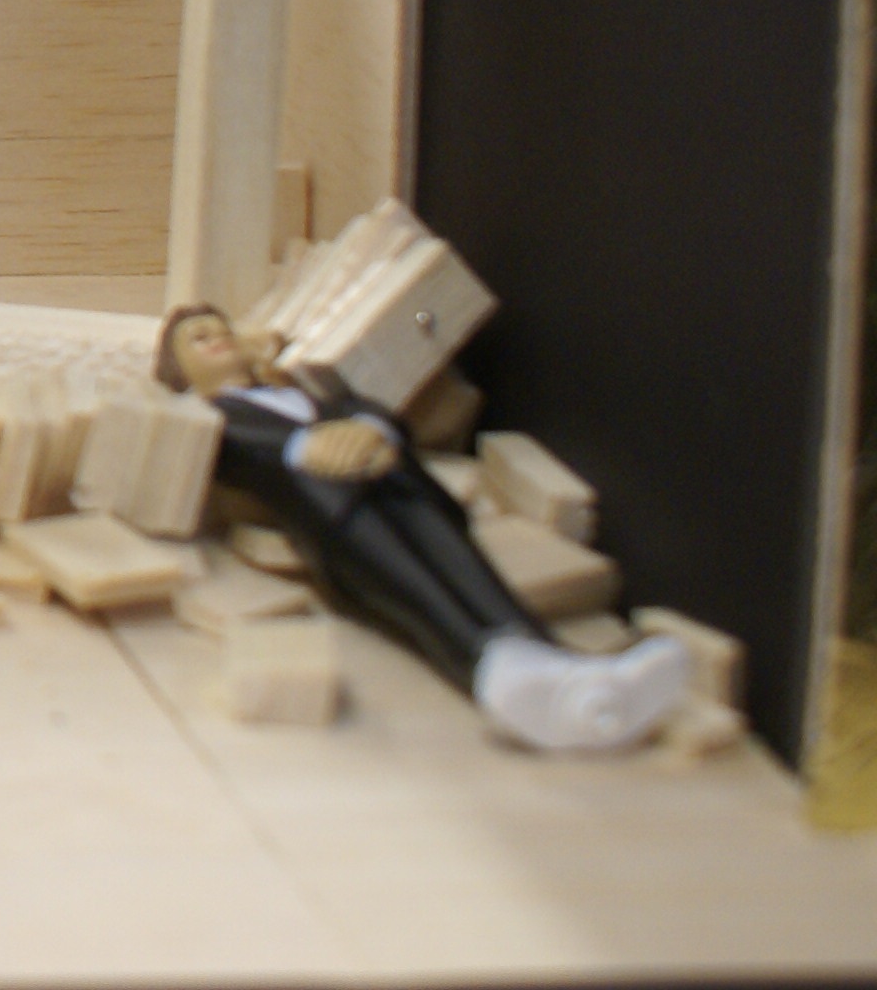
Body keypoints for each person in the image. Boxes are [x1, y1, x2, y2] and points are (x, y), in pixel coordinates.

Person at [155, 305, 691, 753]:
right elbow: (236, 447)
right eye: (199, 339)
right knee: (424, 592)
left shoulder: (306, 394)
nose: (218, 338)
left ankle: (564, 665)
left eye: (223, 329)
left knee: (473, 574)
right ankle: (499, 680)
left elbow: (366, 408)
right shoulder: (216, 417)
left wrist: (369, 430)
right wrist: (306, 447)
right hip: (340, 520)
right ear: (181, 374)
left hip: (402, 486)